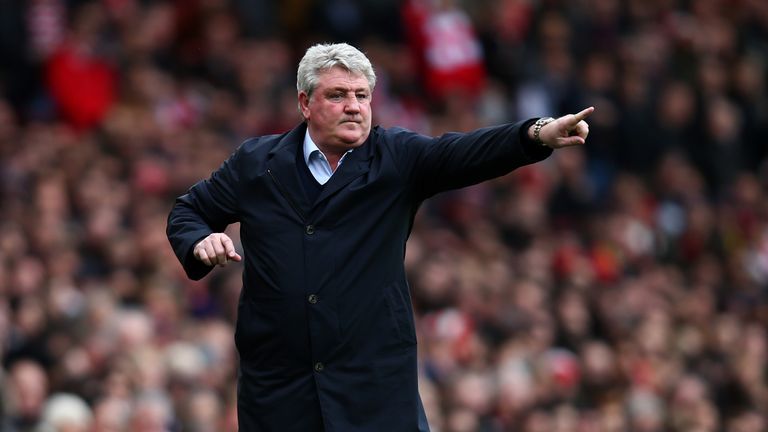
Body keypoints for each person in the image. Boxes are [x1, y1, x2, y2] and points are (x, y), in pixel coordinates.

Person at [166, 42, 592, 431]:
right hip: (280, 393)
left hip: (374, 393)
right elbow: (189, 211)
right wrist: (200, 240)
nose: (353, 107)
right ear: (304, 103)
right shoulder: (257, 163)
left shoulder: (396, 156)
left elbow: (464, 153)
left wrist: (537, 135)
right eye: (338, 95)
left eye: (362, 96)